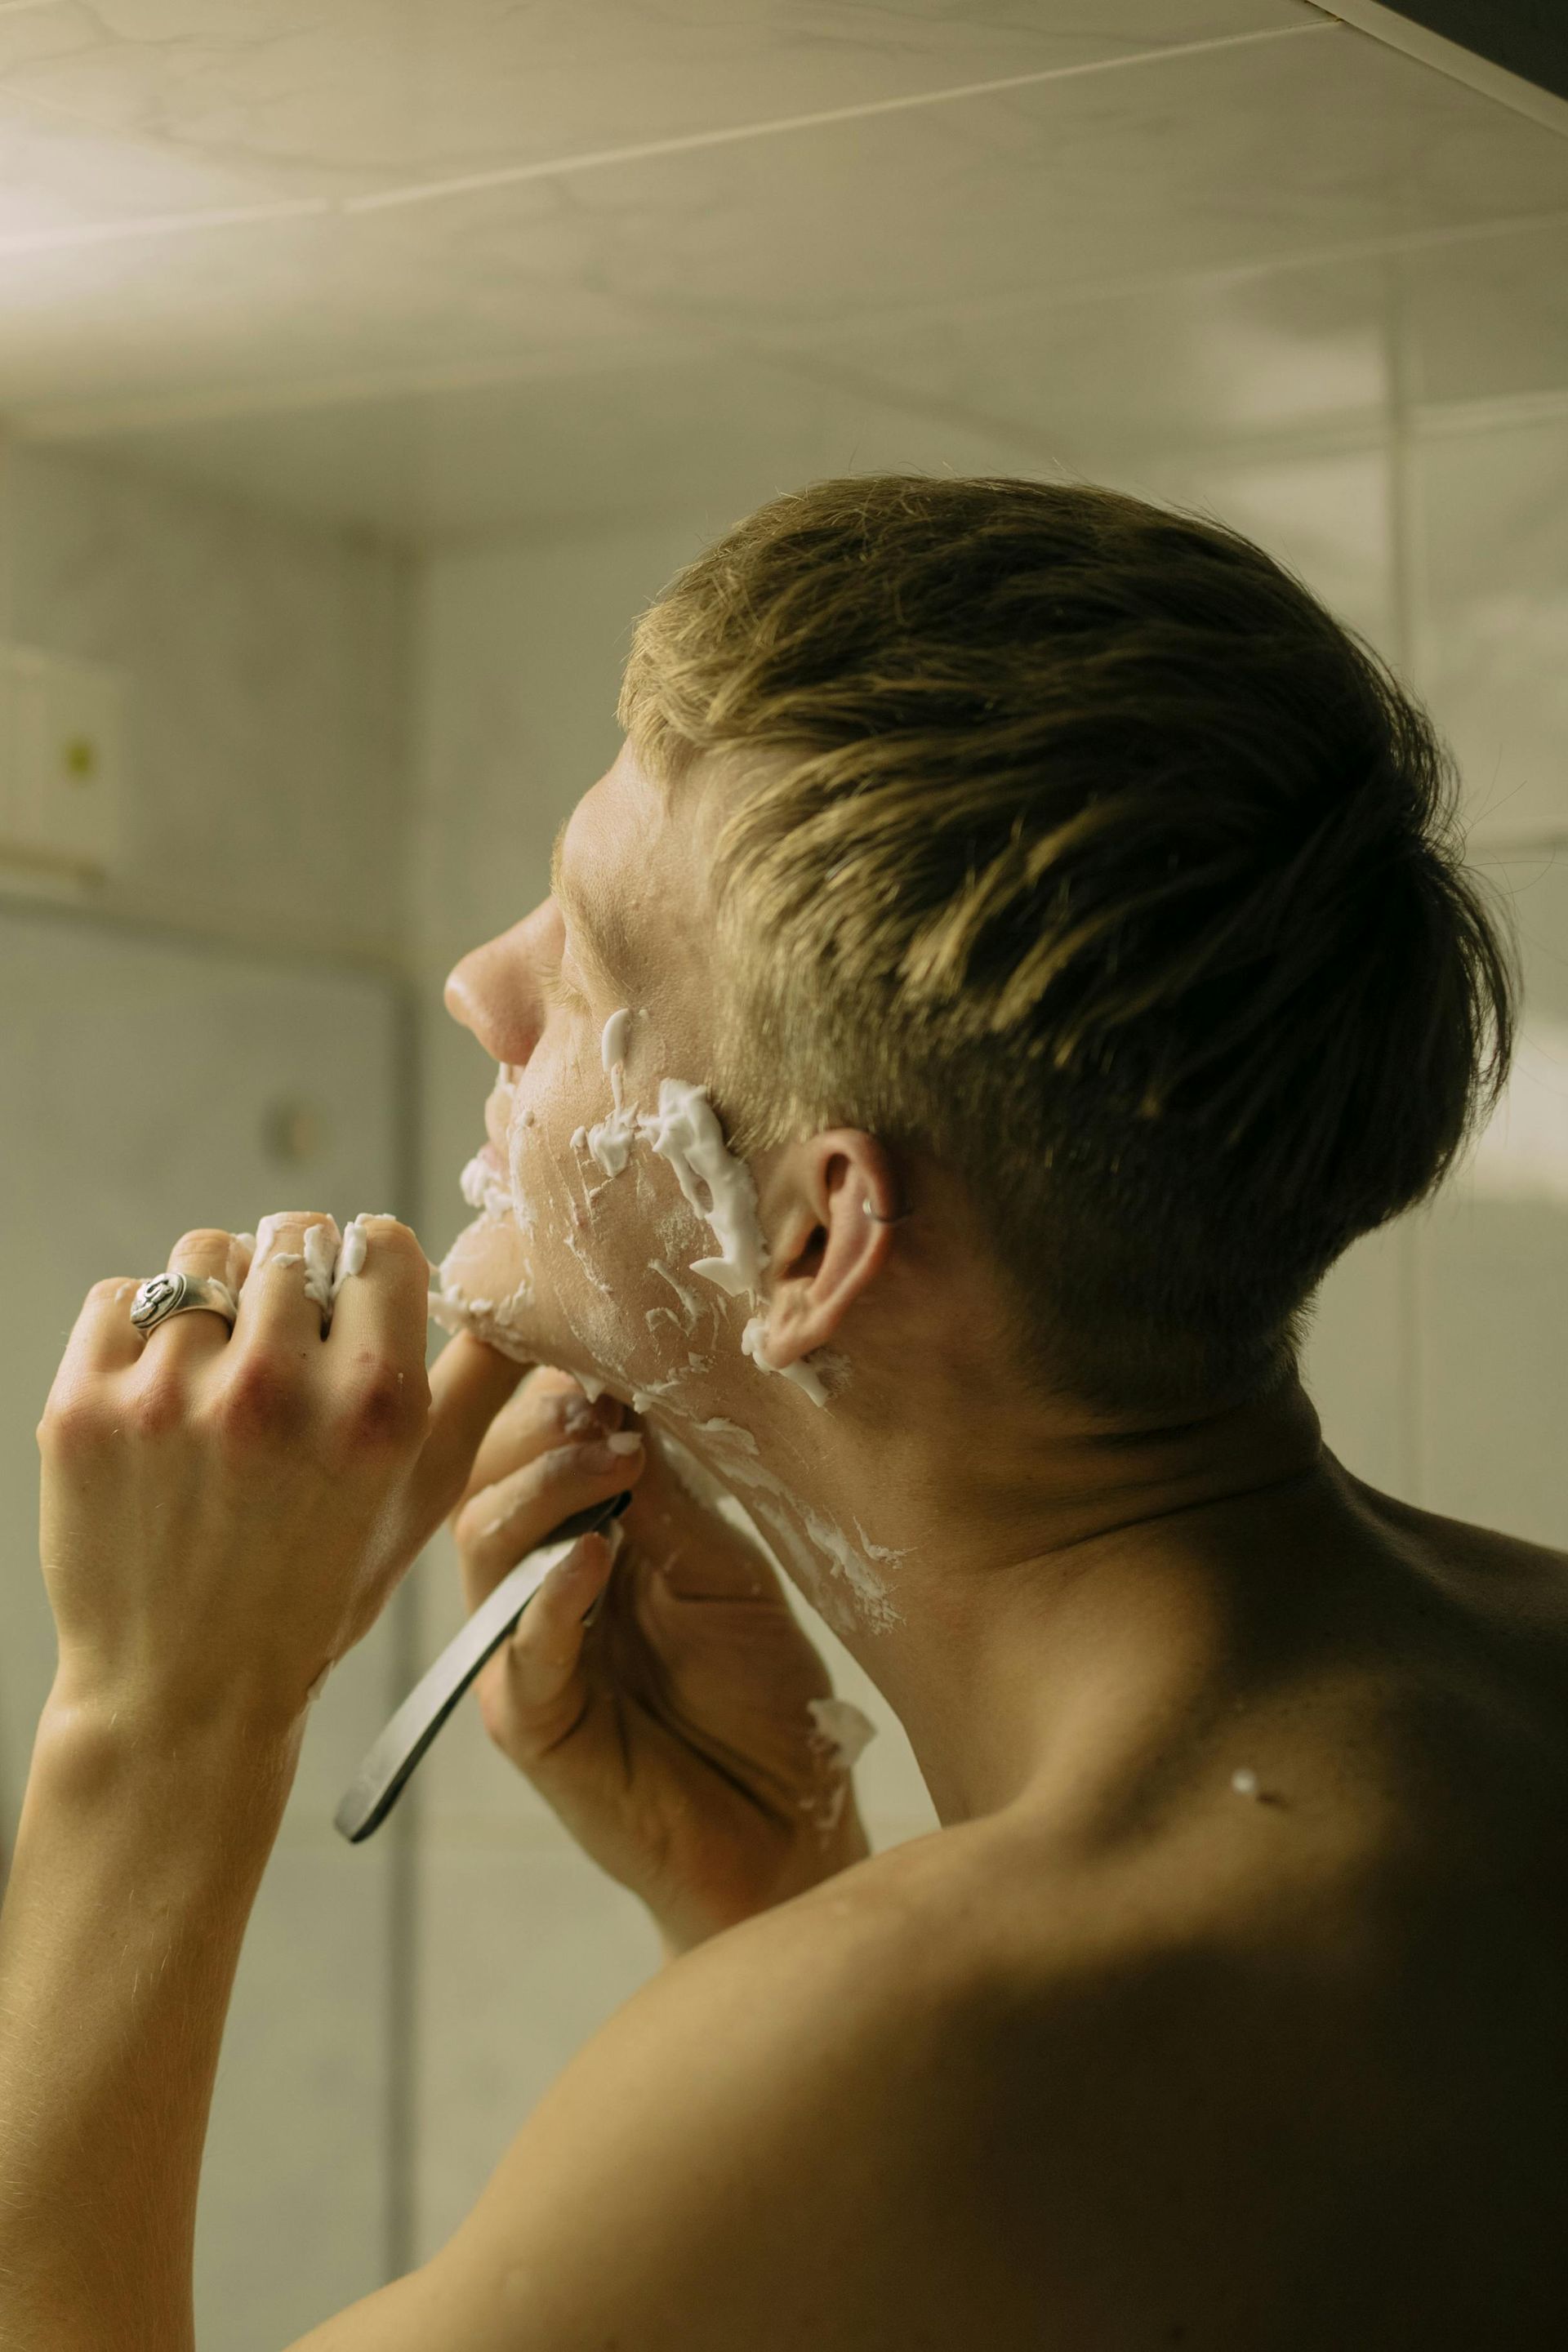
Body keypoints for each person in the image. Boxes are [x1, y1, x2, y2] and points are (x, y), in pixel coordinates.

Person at [3, 474, 1564, 2350]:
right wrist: (773, 1899)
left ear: (818, 1230)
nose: (479, 987)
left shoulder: (924, 2052)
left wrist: (161, 1724)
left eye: (585, 966)